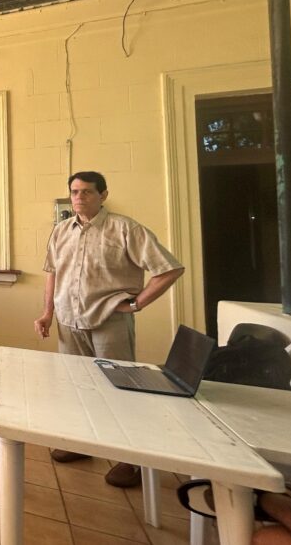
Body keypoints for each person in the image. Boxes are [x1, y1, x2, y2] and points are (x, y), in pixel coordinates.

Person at [34, 171, 185, 489]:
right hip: (68, 321)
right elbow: (52, 275)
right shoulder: (61, 231)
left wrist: (137, 303)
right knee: (76, 387)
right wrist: (48, 312)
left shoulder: (125, 228)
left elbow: (169, 268)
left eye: (87, 192)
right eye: (74, 192)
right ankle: (81, 443)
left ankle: (131, 460)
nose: (79, 198)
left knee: (121, 391)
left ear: (103, 195)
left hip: (109, 322)